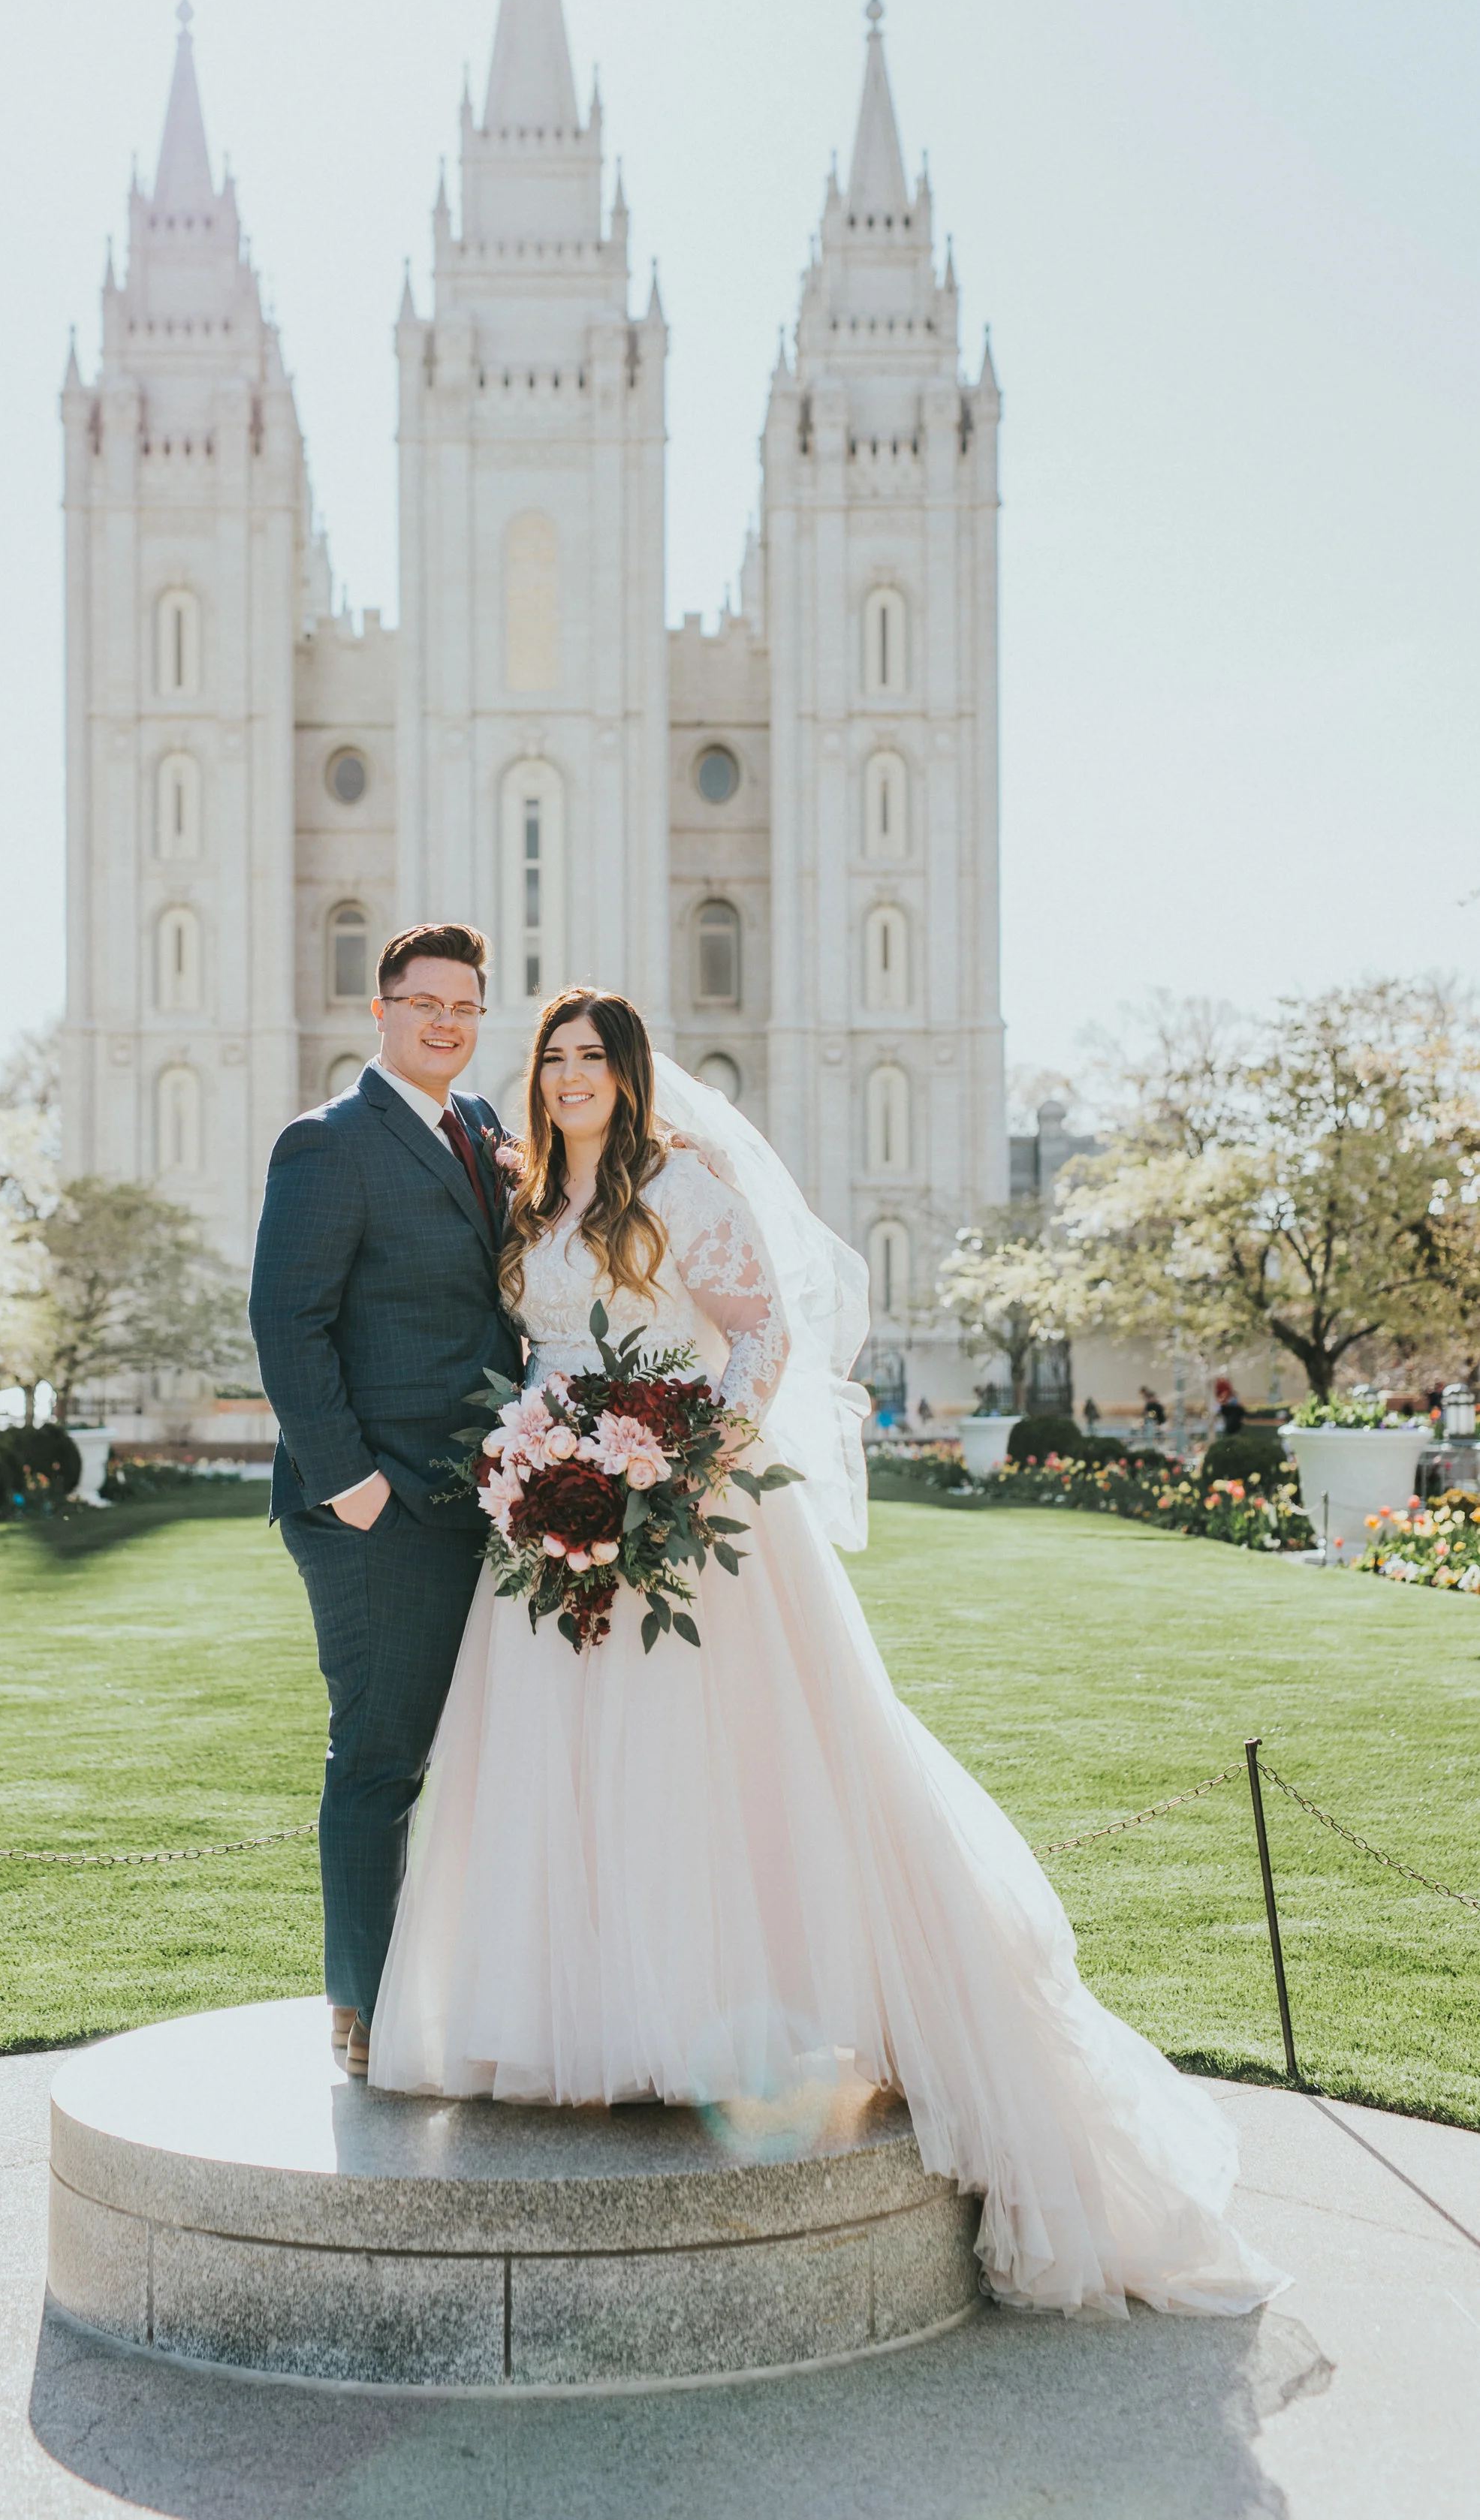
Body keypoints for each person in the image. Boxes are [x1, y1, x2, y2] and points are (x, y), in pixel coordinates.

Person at [369, 988, 1286, 2319]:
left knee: (714, 1763)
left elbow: (762, 1338)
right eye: (554, 1059)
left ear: (630, 1078)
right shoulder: (530, 1206)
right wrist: (539, 1460)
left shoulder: (684, 1188)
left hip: (687, 1519)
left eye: (593, 1059)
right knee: (559, 1770)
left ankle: (729, 2013)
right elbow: (540, 1352)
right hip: (551, 1524)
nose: (571, 1078)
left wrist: (682, 1466)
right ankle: (590, 2018)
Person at [249, 922, 520, 2082]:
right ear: (381, 1010)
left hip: (480, 1504)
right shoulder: (330, 1144)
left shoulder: (483, 1134)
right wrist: (351, 1484)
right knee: (378, 1759)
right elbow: (285, 1322)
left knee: (473, 1758)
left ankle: (443, 1988)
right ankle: (360, 2013)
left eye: (465, 1005)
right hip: (377, 1512)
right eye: (424, 1003)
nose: (446, 1022)